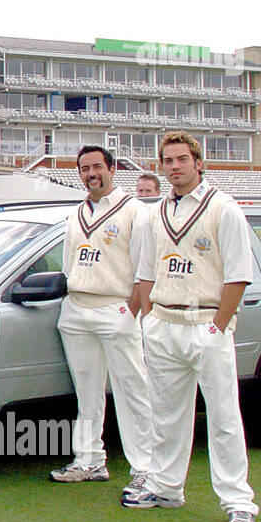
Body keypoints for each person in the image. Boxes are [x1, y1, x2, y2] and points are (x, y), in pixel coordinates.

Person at [129, 131, 259, 522]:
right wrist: (149, 318)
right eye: (168, 160)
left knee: (223, 418)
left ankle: (239, 502)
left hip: (206, 324)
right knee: (167, 415)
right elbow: (146, 272)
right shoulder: (154, 214)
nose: (175, 166)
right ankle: (167, 487)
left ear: (198, 163)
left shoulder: (224, 208)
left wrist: (218, 325)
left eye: (182, 159)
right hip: (164, 325)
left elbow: (238, 276)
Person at [50, 145, 156, 490]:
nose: (91, 173)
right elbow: (69, 264)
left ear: (112, 168)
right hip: (77, 308)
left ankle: (145, 467)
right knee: (87, 392)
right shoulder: (76, 213)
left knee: (131, 390)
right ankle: (90, 459)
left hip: (116, 308)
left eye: (97, 167)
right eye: (84, 168)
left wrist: (130, 312)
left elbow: (145, 270)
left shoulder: (135, 211)